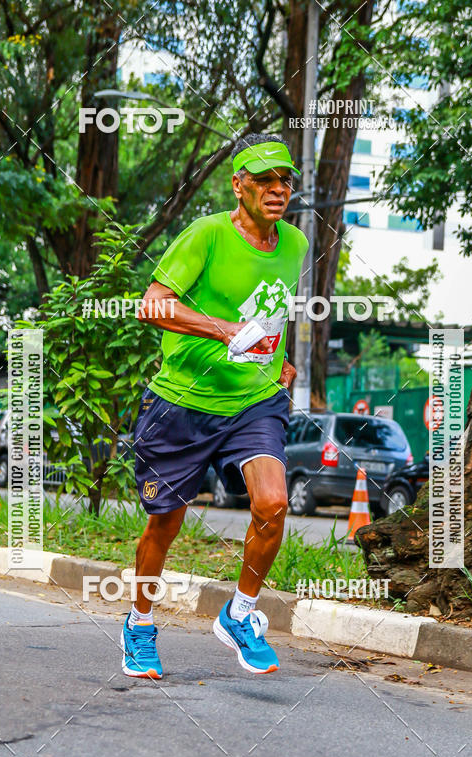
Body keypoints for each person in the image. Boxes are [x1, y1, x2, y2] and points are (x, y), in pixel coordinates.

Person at [122, 133, 308, 679]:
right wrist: (219, 329)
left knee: (273, 503)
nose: (278, 190)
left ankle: (240, 612)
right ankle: (139, 623)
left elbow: (271, 313)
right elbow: (152, 305)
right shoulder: (206, 234)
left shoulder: (296, 245)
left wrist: (281, 361)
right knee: (163, 526)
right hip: (182, 402)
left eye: (286, 181)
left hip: (254, 399)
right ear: (239, 185)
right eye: (266, 180)